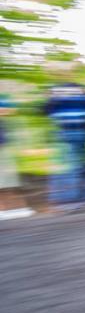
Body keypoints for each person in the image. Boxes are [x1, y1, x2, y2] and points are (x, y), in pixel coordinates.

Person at [44, 82, 85, 211]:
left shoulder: (60, 99)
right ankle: (72, 201)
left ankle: (76, 199)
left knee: (78, 167)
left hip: (75, 135)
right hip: (69, 136)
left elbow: (46, 110)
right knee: (74, 167)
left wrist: (51, 97)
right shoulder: (69, 99)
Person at [0, 92, 35, 220]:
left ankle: (17, 208)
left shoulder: (8, 119)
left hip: (6, 150)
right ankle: (6, 210)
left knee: (10, 182)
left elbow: (11, 111)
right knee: (4, 183)